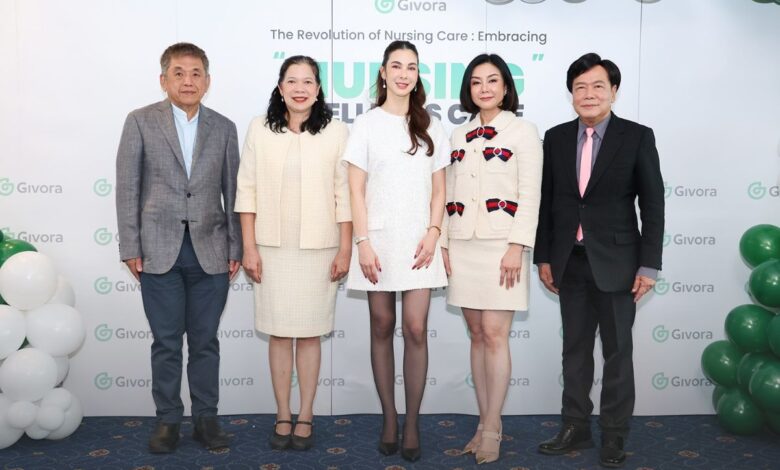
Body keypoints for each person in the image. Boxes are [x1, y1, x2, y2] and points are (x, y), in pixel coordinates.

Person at [534, 53, 664, 468]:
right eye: (580, 87)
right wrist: (543, 257)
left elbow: (653, 205)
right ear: (571, 94)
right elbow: (547, 202)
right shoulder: (555, 138)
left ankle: (613, 433)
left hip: (619, 264)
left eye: (597, 86)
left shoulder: (637, 136)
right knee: (573, 351)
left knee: (617, 353)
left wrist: (649, 265)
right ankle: (575, 426)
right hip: (569, 262)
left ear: (614, 91)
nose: (588, 94)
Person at [115, 42, 241, 453]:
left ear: (208, 80)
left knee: (205, 342)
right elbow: (127, 188)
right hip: (157, 251)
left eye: (196, 73)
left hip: (211, 252)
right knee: (166, 343)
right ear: (163, 79)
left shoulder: (224, 127)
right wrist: (130, 245)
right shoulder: (140, 121)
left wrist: (236, 246)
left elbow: (234, 193)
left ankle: (206, 419)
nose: (188, 81)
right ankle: (168, 420)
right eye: (179, 73)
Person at [235, 55, 352, 451]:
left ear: (318, 89)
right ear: (280, 87)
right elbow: (246, 191)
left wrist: (345, 249)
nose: (300, 88)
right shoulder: (259, 128)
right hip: (271, 248)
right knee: (280, 332)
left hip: (320, 249)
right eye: (292, 81)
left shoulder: (336, 132)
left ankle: (306, 414)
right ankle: (283, 413)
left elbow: (344, 196)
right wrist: (249, 247)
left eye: (308, 81)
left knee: (311, 333)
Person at [342, 40, 450, 463]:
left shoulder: (431, 125)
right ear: (383, 73)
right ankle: (389, 418)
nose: (404, 73)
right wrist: (362, 242)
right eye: (397, 66)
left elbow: (440, 189)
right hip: (378, 240)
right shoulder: (366, 124)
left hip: (420, 241)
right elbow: (356, 189)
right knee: (382, 325)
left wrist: (434, 233)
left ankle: (413, 422)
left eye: (412, 67)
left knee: (416, 328)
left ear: (417, 75)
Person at [440, 53, 542, 465]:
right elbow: (446, 192)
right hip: (463, 244)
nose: (484, 88)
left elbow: (531, 193)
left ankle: (493, 427)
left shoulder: (523, 131)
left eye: (492, 80)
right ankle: (482, 422)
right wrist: (444, 243)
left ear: (505, 88)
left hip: (503, 248)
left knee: (496, 335)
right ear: (469, 89)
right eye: (476, 82)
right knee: (478, 334)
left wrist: (518, 245)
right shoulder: (457, 134)